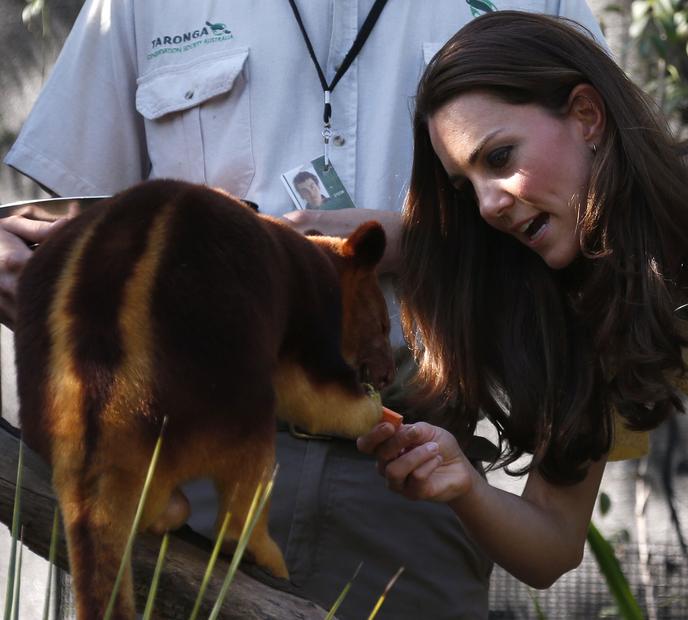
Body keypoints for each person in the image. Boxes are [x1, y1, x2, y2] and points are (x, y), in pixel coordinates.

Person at [2, 2, 607, 618]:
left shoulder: (541, 12)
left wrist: (420, 242)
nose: (484, 198)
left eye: (495, 162)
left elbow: (599, 218)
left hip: (409, 474)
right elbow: (90, 227)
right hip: (181, 456)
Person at [357, 11, 688, 619]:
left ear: (587, 114)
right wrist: (463, 485)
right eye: (466, 186)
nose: (487, 204)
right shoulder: (594, 290)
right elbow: (552, 541)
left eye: (500, 156)